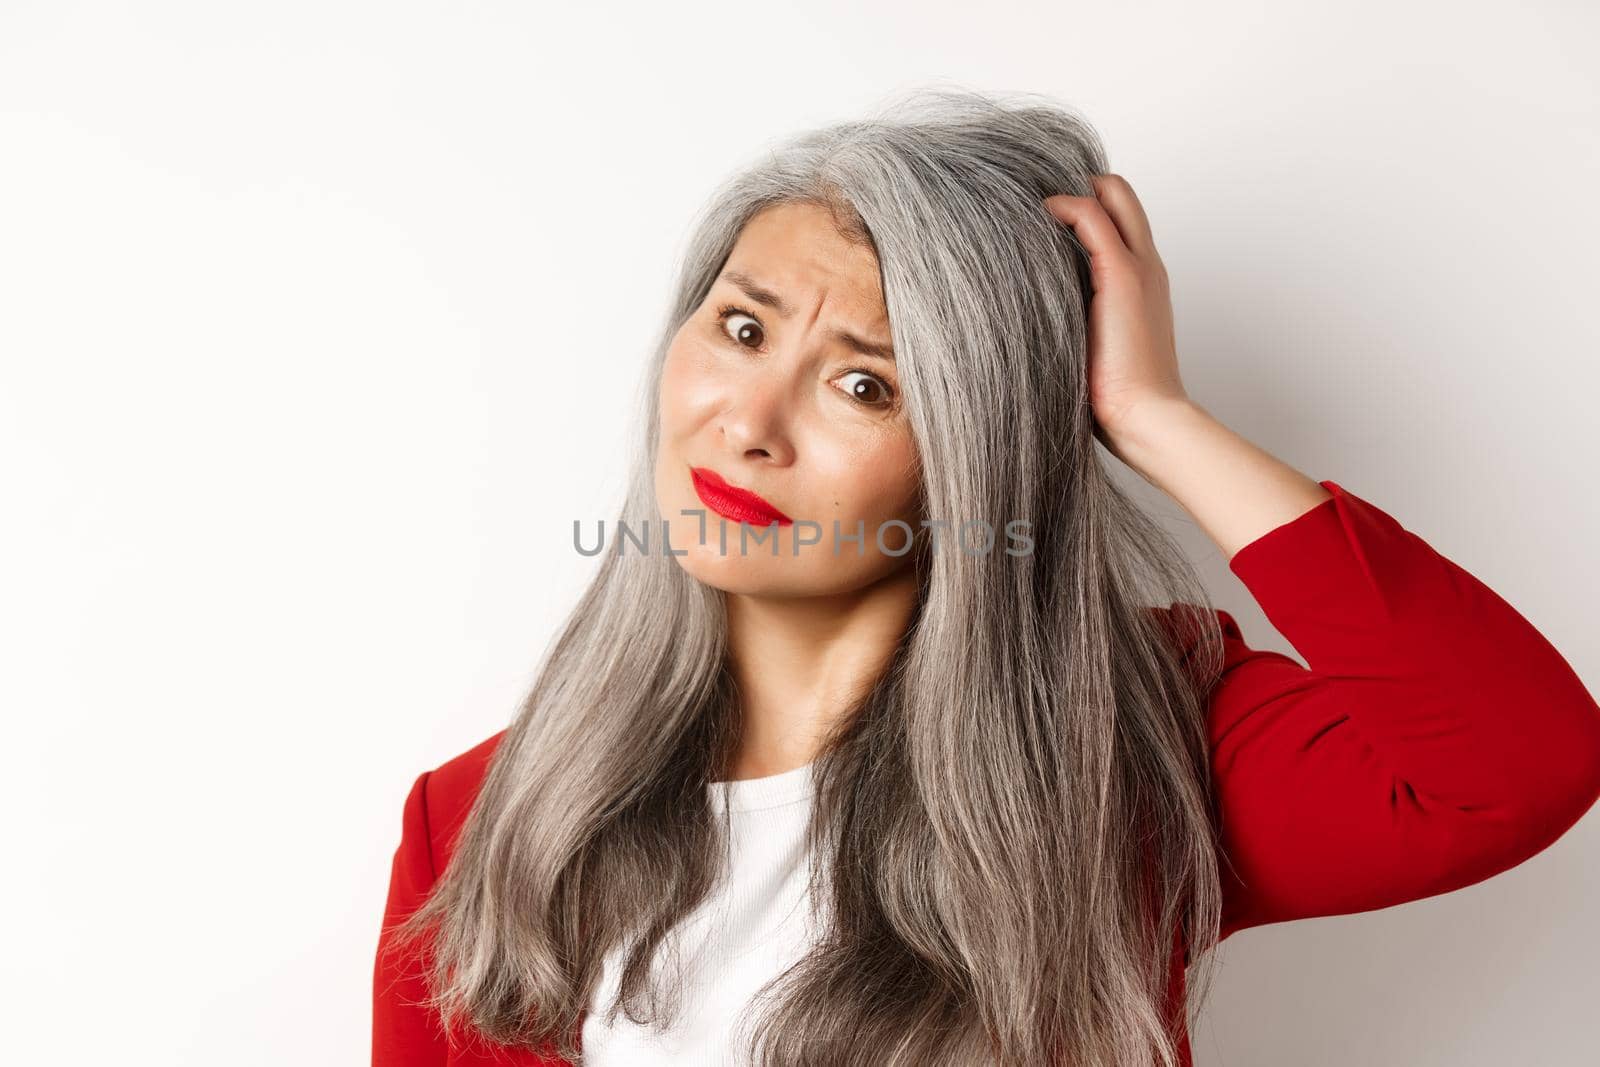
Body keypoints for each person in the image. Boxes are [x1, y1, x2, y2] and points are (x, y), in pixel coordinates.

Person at [372, 88, 1600, 1067]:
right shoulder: (476, 819)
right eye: (741, 327)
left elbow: (1518, 762)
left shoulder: (1136, 753)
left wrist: (1153, 416)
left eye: (865, 383)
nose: (748, 420)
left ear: (977, 452)